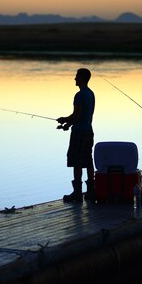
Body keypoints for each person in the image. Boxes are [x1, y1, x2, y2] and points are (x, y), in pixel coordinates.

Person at [57, 68, 95, 202]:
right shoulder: (91, 94)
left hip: (79, 133)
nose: (75, 79)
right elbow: (83, 115)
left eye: (77, 76)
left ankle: (77, 194)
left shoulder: (79, 95)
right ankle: (91, 192)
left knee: (76, 161)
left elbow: (77, 115)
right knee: (88, 160)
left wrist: (65, 120)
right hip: (88, 131)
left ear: (82, 78)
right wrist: (67, 124)